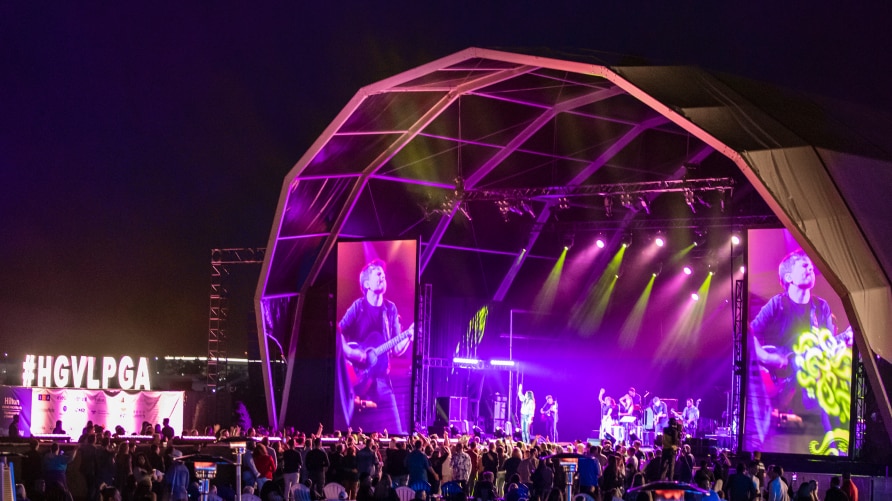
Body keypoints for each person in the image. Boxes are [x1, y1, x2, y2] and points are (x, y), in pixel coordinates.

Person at [746, 249, 847, 453]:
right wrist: (767, 356)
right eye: (804, 265)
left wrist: (844, 340)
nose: (810, 268)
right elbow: (748, 335)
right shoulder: (777, 304)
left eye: (811, 265)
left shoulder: (821, 308)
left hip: (809, 389)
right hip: (778, 388)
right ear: (789, 277)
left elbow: (825, 348)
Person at [339, 259, 414, 434]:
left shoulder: (390, 309)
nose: (383, 276)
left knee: (398, 431)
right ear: (367, 283)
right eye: (378, 274)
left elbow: (396, 349)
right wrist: (352, 352)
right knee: (352, 433)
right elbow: (338, 332)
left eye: (384, 274)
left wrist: (409, 336)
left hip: (382, 381)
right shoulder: (358, 307)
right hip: (357, 379)